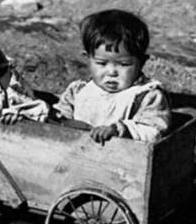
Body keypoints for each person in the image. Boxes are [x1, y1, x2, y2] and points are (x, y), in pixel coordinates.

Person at [53, 9, 171, 143]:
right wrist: (60, 120)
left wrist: (118, 130)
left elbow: (153, 132)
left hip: (125, 160)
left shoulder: (146, 96)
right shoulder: (78, 92)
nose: (112, 72)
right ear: (88, 59)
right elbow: (58, 118)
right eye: (101, 63)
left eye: (124, 64)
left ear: (142, 62)